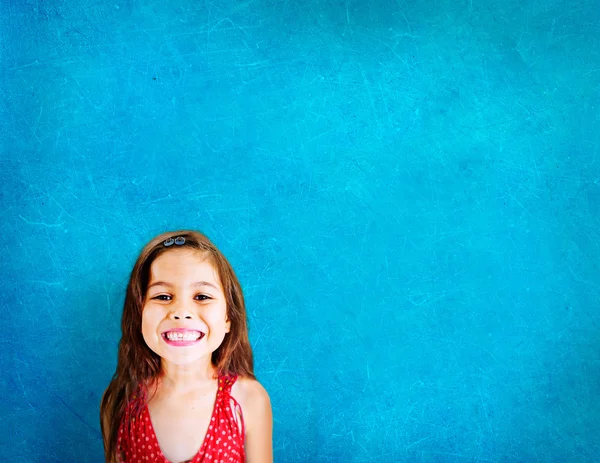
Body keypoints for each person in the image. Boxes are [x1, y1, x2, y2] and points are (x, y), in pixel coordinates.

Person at [100, 230, 273, 463]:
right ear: (139, 316)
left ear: (228, 319)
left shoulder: (248, 399)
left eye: (202, 296)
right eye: (162, 297)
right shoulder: (121, 400)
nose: (181, 312)